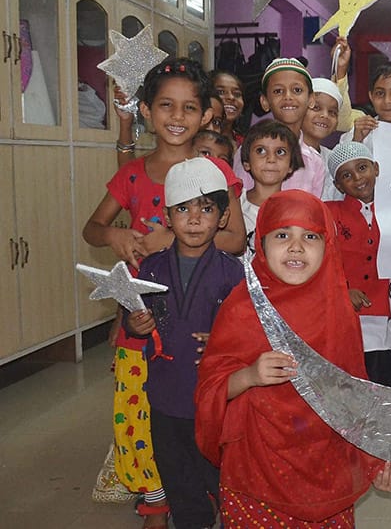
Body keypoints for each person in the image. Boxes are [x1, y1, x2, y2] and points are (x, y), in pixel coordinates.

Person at [82, 57, 246, 529]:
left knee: (197, 414)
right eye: (166, 106)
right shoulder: (133, 174)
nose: (177, 117)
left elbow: (235, 239)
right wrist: (114, 236)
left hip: (199, 318)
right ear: (148, 111)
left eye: (189, 107)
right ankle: (157, 500)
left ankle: (203, 493)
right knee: (142, 419)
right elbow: (93, 228)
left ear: (205, 115)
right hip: (142, 322)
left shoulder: (214, 170)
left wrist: (173, 238)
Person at [195, 190, 391, 527]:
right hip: (255, 470)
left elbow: (353, 396)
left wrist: (373, 461)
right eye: (282, 235)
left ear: (328, 245)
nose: (296, 247)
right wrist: (250, 375)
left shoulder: (338, 311)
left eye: (310, 236)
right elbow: (210, 389)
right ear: (261, 243)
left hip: (326, 466)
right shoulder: (242, 308)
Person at [124, 157, 244, 529]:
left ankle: (226, 511)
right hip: (165, 393)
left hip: (213, 399)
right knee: (176, 473)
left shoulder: (233, 272)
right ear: (169, 216)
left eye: (206, 209)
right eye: (183, 209)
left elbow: (245, 334)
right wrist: (137, 323)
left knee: (218, 472)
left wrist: (222, 341)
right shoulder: (151, 268)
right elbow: (133, 320)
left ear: (222, 217)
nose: (194, 219)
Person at [325, 142, 391, 388]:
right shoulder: (328, 213)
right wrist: (342, 289)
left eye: (362, 168)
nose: (357, 178)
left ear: (375, 169)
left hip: (379, 317)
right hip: (343, 317)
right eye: (346, 175)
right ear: (337, 185)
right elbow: (323, 260)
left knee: (383, 381)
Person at [232, 58, 325, 197]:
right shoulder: (248, 151)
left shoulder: (315, 163)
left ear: (310, 100)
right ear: (264, 101)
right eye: (278, 91)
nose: (288, 96)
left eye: (297, 90)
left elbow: (313, 213)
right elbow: (240, 204)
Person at [239, 120, 304, 246]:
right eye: (261, 151)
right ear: (247, 163)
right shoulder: (236, 203)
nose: (271, 159)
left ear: (291, 165)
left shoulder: (298, 210)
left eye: (280, 152)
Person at [345, 63, 391, 146]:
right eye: (380, 93)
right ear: (371, 97)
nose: (387, 101)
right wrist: (357, 141)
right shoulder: (357, 133)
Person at [303, 77, 342, 200]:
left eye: (332, 112)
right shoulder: (285, 154)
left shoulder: (333, 159)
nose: (325, 115)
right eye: (316, 108)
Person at [211, 70, 246, 144]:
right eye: (221, 92)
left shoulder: (245, 144)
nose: (231, 97)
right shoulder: (194, 140)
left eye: (237, 94)